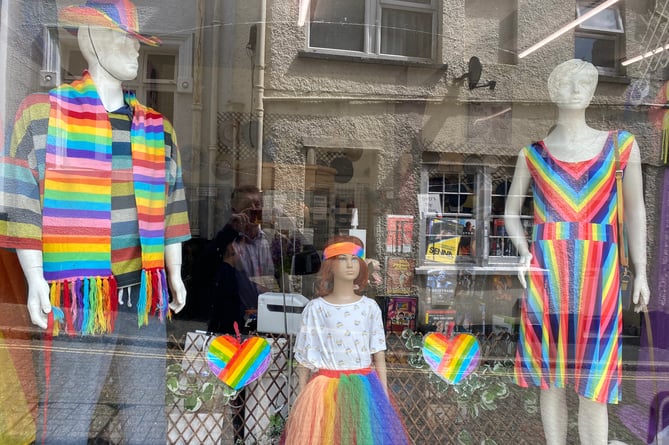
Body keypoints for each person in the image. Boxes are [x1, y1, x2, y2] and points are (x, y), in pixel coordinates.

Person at [0, 1, 190, 443]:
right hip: (81, 297)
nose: (134, 49)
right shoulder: (42, 114)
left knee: (146, 414)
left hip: (145, 293)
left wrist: (175, 274)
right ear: (87, 39)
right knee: (69, 411)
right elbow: (22, 203)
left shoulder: (157, 128)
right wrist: (34, 280)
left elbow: (172, 206)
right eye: (122, 36)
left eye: (138, 40)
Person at [504, 59, 650, 445]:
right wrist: (523, 252)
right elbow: (510, 214)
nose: (577, 90)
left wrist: (642, 271)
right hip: (546, 269)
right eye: (568, 82)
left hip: (599, 273)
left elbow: (635, 211)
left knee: (594, 377)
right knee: (550, 376)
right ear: (553, 91)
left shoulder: (621, 146)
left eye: (586, 83)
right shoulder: (532, 154)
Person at [283, 235, 410, 444]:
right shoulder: (316, 308)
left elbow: (378, 353)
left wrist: (384, 395)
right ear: (330, 266)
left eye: (354, 259)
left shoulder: (369, 307)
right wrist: (300, 395)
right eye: (342, 258)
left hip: (363, 388)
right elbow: (305, 357)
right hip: (323, 389)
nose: (350, 264)